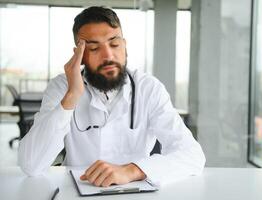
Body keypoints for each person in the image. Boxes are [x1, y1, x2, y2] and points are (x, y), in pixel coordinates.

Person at [18, 6, 206, 187]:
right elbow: (31, 165)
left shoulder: (148, 88)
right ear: (80, 56)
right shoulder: (62, 88)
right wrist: (72, 96)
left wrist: (132, 170)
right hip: (76, 190)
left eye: (114, 44)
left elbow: (192, 155)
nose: (108, 55)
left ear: (124, 46)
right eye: (94, 49)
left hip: (136, 191)